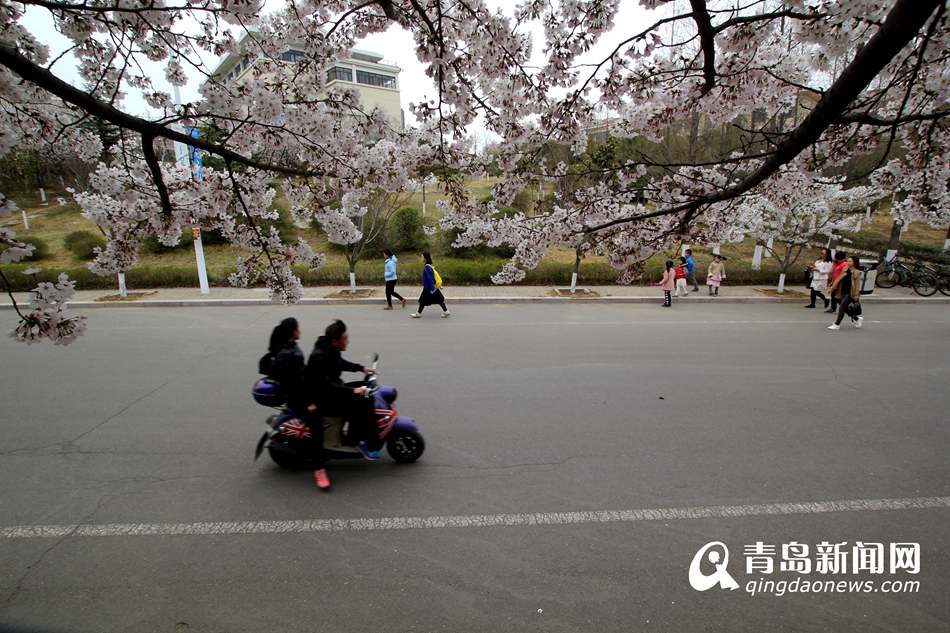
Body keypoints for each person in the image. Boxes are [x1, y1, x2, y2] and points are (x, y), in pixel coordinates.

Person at [265, 318, 330, 491]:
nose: (300, 330)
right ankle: (320, 469)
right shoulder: (287, 353)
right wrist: (307, 403)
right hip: (297, 399)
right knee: (316, 425)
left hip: (301, 392)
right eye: (298, 327)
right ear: (293, 331)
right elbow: (292, 384)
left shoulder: (289, 347)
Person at [305, 319, 381, 459]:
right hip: (324, 397)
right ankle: (359, 442)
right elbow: (326, 386)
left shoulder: (329, 348)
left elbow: (340, 363)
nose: (348, 341)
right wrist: (352, 391)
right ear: (335, 341)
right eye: (345, 339)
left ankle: (353, 437)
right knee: (363, 402)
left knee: (362, 393)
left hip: (332, 389)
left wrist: (361, 368)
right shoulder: (319, 357)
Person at [827, 256, 864, 331]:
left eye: (850, 261)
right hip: (842, 292)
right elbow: (838, 279)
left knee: (842, 307)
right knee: (842, 306)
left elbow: (857, 285)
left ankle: (837, 324)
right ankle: (856, 318)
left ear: (854, 263)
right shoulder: (845, 269)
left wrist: (856, 296)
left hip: (850, 293)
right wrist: (832, 288)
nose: (848, 262)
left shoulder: (857, 272)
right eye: (848, 261)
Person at [410, 251, 450, 318]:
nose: (421, 258)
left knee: (422, 300)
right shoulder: (429, 266)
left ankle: (418, 313)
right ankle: (446, 311)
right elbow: (433, 278)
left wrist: (432, 289)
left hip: (429, 288)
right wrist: (437, 287)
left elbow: (430, 279)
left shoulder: (427, 267)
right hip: (432, 287)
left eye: (422, 257)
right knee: (439, 299)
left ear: (425, 258)